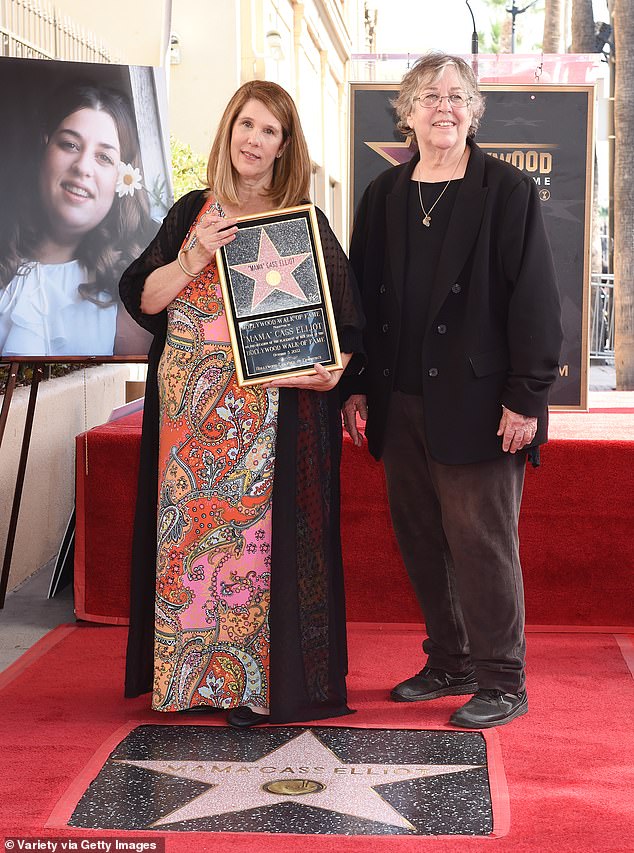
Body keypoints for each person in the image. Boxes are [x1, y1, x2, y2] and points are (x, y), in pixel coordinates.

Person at [120, 80, 364, 727]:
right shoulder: (191, 211)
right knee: (189, 548)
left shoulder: (301, 221)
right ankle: (191, 681)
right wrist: (194, 254)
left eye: (269, 132)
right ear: (230, 130)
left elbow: (350, 321)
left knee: (254, 553)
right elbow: (142, 297)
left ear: (285, 148)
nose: (254, 140)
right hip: (189, 421)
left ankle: (255, 686)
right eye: (246, 125)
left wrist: (332, 373)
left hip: (270, 416)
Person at [342, 52, 563, 729]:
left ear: (474, 112)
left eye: (458, 95)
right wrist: (355, 384)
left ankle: (503, 678)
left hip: (480, 403)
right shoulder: (383, 195)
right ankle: (451, 658)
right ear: (405, 113)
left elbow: (536, 302)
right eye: (430, 95)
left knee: (481, 541)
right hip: (398, 399)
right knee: (419, 536)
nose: (444, 105)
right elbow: (361, 301)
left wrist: (526, 396)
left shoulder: (507, 192)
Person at [0, 82, 156, 357]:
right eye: (70, 144)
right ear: (44, 149)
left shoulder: (130, 290)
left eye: (104, 157)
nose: (83, 167)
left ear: (122, 181)